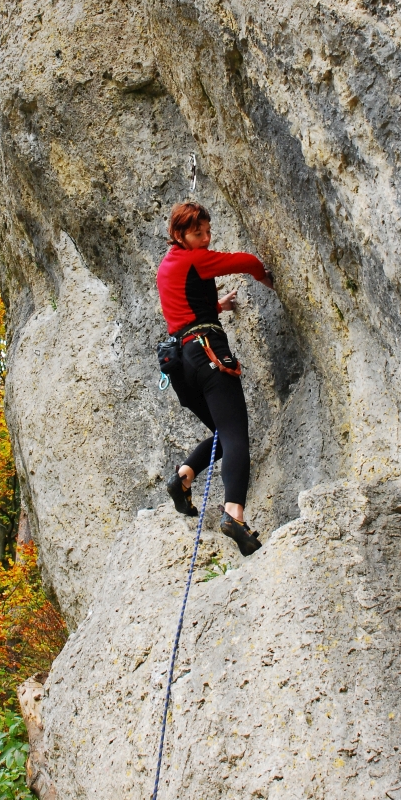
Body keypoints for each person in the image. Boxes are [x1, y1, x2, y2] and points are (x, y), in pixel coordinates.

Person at [156, 201, 275, 556]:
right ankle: (234, 514)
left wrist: (216, 306)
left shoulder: (168, 265)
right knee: (236, 435)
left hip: (180, 364)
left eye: (208, 231)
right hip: (206, 351)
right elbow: (248, 262)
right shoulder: (196, 258)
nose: (206, 239)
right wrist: (268, 280)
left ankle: (184, 477)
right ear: (179, 235)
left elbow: (183, 305)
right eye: (198, 234)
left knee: (223, 434)